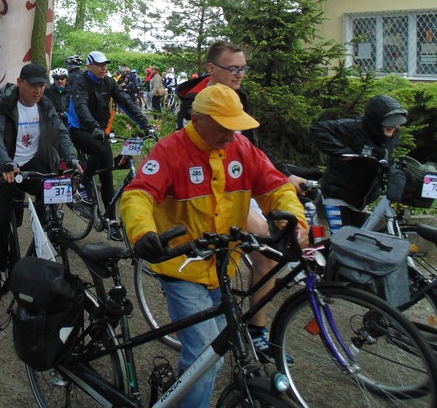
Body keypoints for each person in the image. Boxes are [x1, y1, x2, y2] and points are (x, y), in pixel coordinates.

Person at [121, 84, 308, 408]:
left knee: (214, 352)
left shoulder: (242, 148)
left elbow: (276, 188)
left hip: (222, 267)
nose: (231, 134)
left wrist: (293, 223)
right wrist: (143, 233)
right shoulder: (171, 150)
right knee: (206, 358)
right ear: (197, 120)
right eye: (223, 127)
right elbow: (139, 193)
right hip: (182, 268)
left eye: (235, 126)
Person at [0, 63, 80, 302]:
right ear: (20, 82)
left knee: (50, 207)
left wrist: (71, 157)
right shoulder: (1, 105)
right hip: (4, 166)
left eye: (42, 85)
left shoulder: (45, 104)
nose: (38, 91)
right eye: (33, 85)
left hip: (33, 164)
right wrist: (5, 163)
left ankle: (40, 247)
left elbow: (60, 132)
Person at [67, 51, 153, 241]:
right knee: (99, 150)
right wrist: (94, 127)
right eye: (99, 65)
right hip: (80, 129)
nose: (104, 67)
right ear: (89, 67)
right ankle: (83, 182)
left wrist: (145, 124)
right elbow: (81, 107)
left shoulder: (109, 82)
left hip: (99, 131)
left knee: (107, 175)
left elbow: (126, 102)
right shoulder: (80, 81)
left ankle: (111, 222)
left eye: (105, 64)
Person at [311, 94, 408, 229]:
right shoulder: (354, 127)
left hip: (362, 198)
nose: (393, 128)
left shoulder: (393, 135)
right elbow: (319, 129)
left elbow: (385, 158)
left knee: (356, 239)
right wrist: (341, 151)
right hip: (338, 193)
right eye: (388, 124)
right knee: (340, 238)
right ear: (375, 121)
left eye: (396, 124)